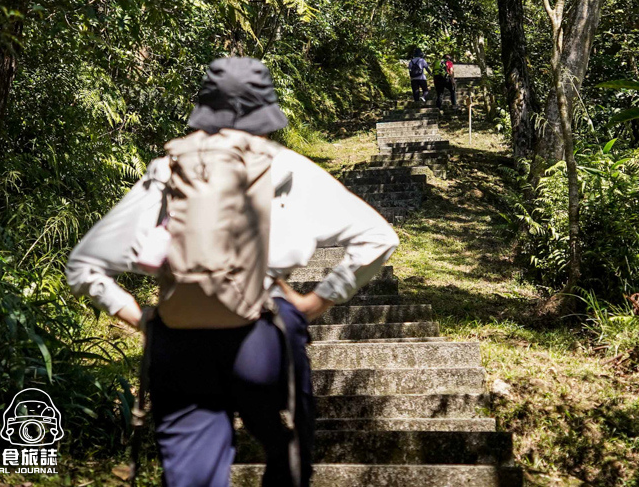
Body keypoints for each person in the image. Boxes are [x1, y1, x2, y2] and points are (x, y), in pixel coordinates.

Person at [65, 57, 399, 487]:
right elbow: (379, 237)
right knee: (290, 448)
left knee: (191, 477)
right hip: (263, 338)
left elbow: (84, 265)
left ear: (204, 110)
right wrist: (319, 301)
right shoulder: (286, 168)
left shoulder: (168, 169)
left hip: (179, 342)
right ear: (265, 111)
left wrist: (141, 317)